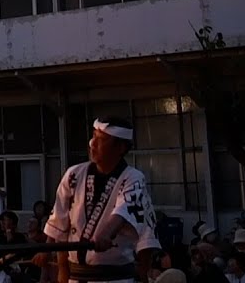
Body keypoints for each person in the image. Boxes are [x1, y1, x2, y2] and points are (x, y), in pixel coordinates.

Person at [43, 117, 161, 283]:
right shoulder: (73, 174)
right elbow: (60, 225)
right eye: (93, 136)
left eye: (102, 139)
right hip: (76, 276)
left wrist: (105, 234)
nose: (92, 144)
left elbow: (123, 211)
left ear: (120, 147)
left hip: (116, 278)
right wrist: (61, 268)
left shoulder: (133, 178)